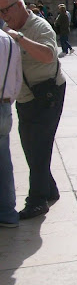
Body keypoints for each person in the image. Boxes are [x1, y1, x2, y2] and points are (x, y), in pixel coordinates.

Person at [0, 0, 66, 220]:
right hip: (26, 97)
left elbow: (49, 55)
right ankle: (49, 189)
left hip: (48, 95)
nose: (3, 16)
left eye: (5, 10)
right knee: (30, 147)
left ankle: (37, 201)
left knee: (38, 148)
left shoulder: (39, 26)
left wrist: (18, 37)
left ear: (18, 5)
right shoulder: (7, 28)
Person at [0, 25, 22, 227]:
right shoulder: (8, 39)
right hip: (4, 105)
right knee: (4, 161)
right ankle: (7, 212)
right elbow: (17, 78)